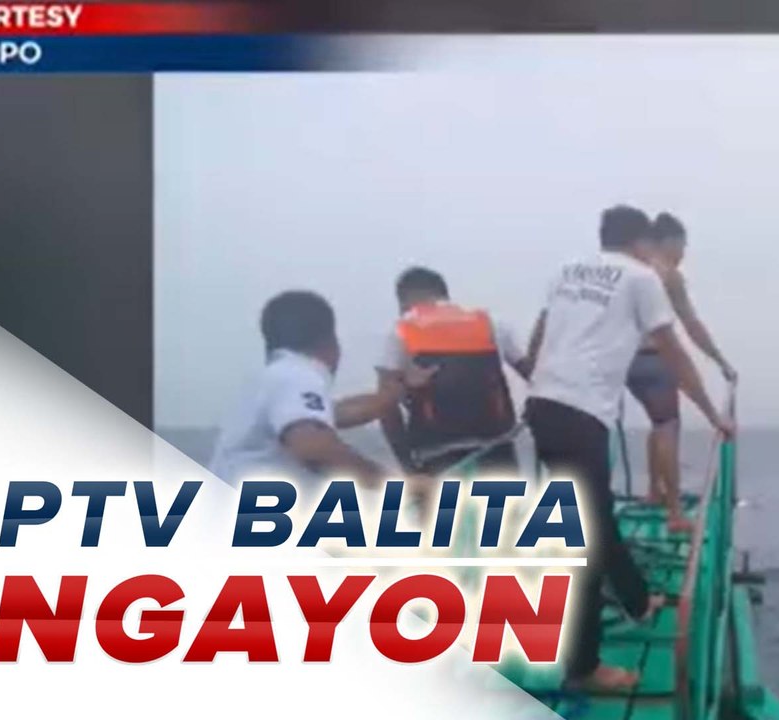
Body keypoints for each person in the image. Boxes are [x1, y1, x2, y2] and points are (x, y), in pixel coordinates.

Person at [523, 205, 735, 691]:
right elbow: (674, 350)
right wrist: (711, 412)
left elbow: (540, 336)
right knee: (586, 538)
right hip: (581, 414)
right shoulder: (642, 278)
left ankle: (637, 601)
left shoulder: (566, 271)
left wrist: (538, 382)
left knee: (591, 519)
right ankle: (583, 668)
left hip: (545, 406)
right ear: (642, 242)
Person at [209, 290, 431, 494]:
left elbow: (338, 413)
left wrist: (396, 390)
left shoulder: (273, 379)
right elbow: (314, 448)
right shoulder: (297, 374)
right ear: (331, 342)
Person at [625, 212, 735, 533]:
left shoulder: (632, 270)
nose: (683, 255)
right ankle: (674, 513)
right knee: (669, 427)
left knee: (656, 421)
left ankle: (652, 491)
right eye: (683, 247)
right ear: (669, 243)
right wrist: (720, 361)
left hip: (625, 362)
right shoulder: (667, 275)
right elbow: (691, 324)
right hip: (655, 358)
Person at [374, 266, 529, 480]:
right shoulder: (490, 322)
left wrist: (409, 468)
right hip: (498, 450)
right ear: (445, 294)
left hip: (438, 456)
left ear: (403, 300)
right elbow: (533, 375)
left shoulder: (401, 330)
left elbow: (386, 408)